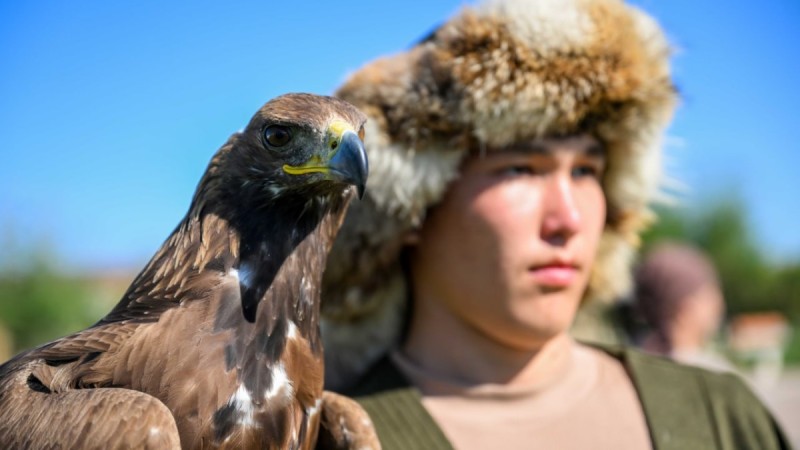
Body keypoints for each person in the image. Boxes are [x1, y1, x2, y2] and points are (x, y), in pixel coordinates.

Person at [319, 0, 791, 448]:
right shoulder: (319, 438)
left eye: (586, 171)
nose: (569, 219)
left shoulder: (723, 416)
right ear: (410, 205)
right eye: (520, 169)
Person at [633, 241, 738, 373]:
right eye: (710, 296)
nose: (720, 305)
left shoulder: (634, 364)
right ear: (685, 309)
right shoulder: (714, 374)